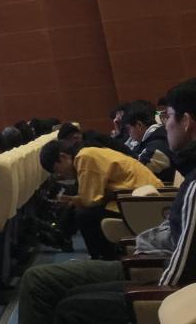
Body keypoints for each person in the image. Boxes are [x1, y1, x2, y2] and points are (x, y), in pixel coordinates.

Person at [18, 79, 196, 324]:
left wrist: (148, 292)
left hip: (155, 267)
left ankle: (84, 248)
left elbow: (180, 271)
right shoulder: (190, 175)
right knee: (52, 287)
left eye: (168, 116)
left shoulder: (194, 184)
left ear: (186, 122)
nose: (165, 124)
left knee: (59, 293)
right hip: (146, 250)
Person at [40, 137, 161, 260]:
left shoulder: (84, 158)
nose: (59, 175)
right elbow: (93, 195)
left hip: (142, 201)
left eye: (57, 169)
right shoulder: (87, 153)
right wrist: (73, 200)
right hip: (137, 196)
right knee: (83, 210)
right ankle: (101, 256)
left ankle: (103, 258)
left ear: (63, 157)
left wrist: (74, 201)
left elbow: (91, 201)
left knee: (85, 214)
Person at [122, 102, 175, 184]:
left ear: (139, 125)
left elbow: (132, 172)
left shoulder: (158, 146)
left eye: (128, 129)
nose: (129, 134)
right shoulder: (148, 141)